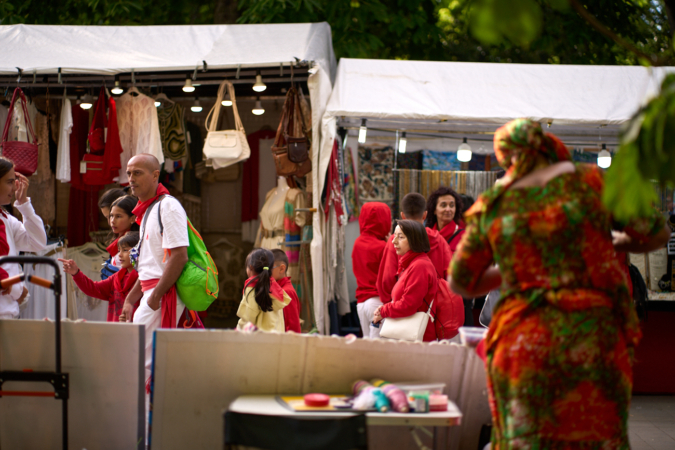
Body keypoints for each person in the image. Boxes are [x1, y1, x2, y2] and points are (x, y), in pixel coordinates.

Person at [449, 118, 671, 449]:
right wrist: (612, 241)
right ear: (551, 148)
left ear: (508, 158)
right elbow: (657, 232)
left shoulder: (497, 202)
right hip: (595, 339)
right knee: (596, 435)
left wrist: (516, 267)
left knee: (525, 440)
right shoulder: (595, 182)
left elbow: (461, 281)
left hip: (525, 342)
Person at [118, 154, 200, 435]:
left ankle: (143, 434)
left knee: (139, 366)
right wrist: (131, 299)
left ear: (156, 176)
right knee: (142, 366)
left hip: (161, 296)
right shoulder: (148, 210)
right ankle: (146, 432)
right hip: (152, 293)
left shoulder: (168, 207)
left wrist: (154, 297)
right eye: (129, 173)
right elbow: (149, 266)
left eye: (138, 173)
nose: (131, 179)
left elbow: (178, 257)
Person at [377, 193, 451, 307]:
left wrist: (390, 307)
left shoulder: (394, 240)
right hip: (434, 309)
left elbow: (386, 281)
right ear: (425, 215)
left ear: (402, 215)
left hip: (402, 309)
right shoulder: (439, 240)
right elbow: (450, 275)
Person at [373, 220, 437, 342]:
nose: (393, 241)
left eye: (400, 237)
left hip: (418, 339)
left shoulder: (420, 266)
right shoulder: (411, 263)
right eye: (394, 235)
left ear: (414, 240)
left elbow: (408, 305)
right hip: (410, 338)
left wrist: (384, 310)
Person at [0, 157, 46, 319]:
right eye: (9, 182)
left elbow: (38, 243)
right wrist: (16, 289)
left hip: (8, 313)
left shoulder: (5, 218)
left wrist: (24, 204)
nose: (14, 187)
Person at [59, 232, 140, 323]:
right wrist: (76, 273)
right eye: (119, 250)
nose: (120, 255)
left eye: (125, 250)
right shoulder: (116, 278)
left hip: (137, 333)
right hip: (113, 334)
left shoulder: (144, 280)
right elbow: (92, 288)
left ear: (138, 251)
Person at [352, 202, 391, 338]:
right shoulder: (383, 247)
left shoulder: (357, 243)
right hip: (377, 302)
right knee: (379, 350)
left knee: (367, 346)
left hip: (361, 304)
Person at [237, 248, 291, 332]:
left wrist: (238, 330)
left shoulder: (252, 287)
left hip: (258, 341)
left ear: (250, 268)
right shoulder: (275, 287)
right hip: (275, 339)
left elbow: (247, 318)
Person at [101, 195, 139, 280]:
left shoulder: (135, 245)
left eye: (118, 216)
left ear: (132, 218)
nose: (112, 221)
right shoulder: (117, 242)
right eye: (111, 216)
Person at [271, 248, 301, 333]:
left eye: (269, 268)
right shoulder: (276, 288)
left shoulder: (286, 292)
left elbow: (293, 327)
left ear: (281, 269)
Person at [426, 186, 465, 252]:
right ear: (434, 209)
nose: (448, 209)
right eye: (443, 205)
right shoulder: (427, 236)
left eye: (452, 205)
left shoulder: (464, 237)